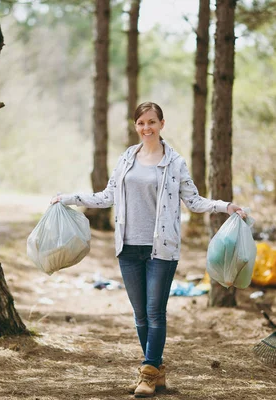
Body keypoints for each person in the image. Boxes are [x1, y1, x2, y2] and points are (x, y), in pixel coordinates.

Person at [51, 102, 246, 398]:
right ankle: (156, 371)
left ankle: (147, 372)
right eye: (141, 123)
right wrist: (67, 198)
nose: (146, 128)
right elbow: (106, 196)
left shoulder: (175, 163)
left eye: (152, 122)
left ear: (162, 124)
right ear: (136, 126)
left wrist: (224, 206)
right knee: (140, 315)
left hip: (161, 250)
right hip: (128, 246)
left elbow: (193, 202)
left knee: (155, 313)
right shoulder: (127, 158)